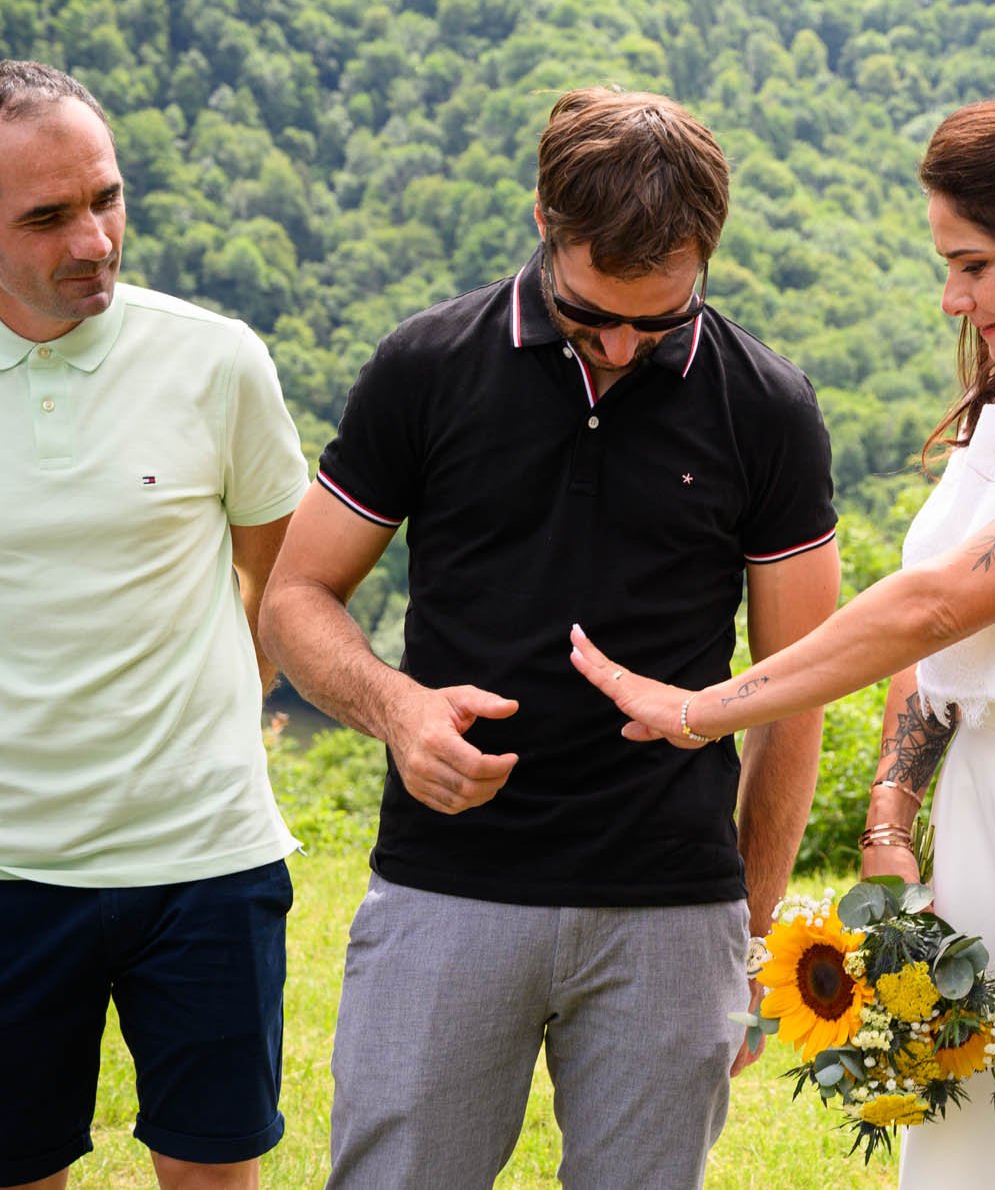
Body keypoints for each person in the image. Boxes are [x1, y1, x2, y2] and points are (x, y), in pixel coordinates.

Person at [567, 88, 995, 1189]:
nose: (952, 298)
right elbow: (942, 648)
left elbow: (933, 605)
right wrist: (892, 824)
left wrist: (699, 708)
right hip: (988, 836)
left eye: (974, 264)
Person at [259, 88, 839, 1189]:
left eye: (659, 318)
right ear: (543, 221)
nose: (622, 346)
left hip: (673, 911)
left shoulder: (768, 409)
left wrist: (750, 929)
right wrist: (397, 708)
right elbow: (296, 597)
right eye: (589, 314)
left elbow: (793, 689)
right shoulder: (425, 366)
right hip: (445, 891)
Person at [0, 61, 307, 1190]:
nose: (93, 238)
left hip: (205, 859)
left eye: (106, 198)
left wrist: (223, 720)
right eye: (47, 215)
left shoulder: (215, 360)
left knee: (217, 1172)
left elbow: (279, 576)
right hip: (9, 869)